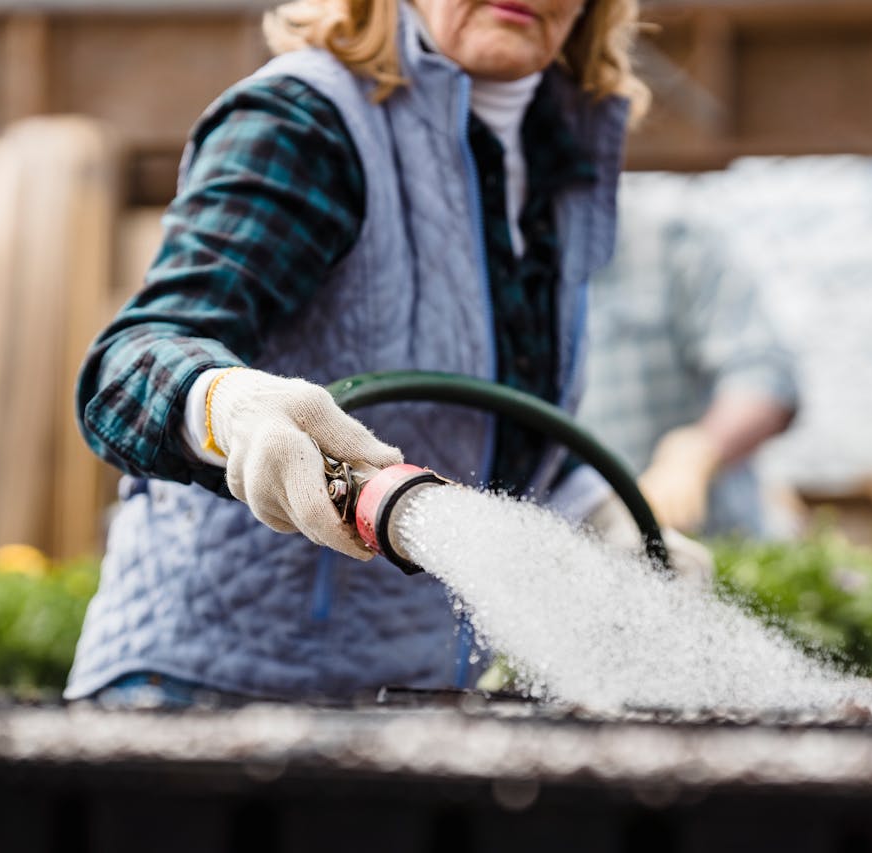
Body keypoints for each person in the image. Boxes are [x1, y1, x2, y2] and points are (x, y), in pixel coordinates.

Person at [66, 0, 651, 705]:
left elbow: (480, 433)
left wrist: (592, 519)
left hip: (408, 700)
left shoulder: (563, 157)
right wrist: (231, 408)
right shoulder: (307, 121)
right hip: (205, 691)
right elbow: (126, 364)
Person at [578, 176, 799, 540]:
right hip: (575, 560)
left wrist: (696, 450)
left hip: (705, 542)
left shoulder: (672, 240)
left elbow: (764, 374)